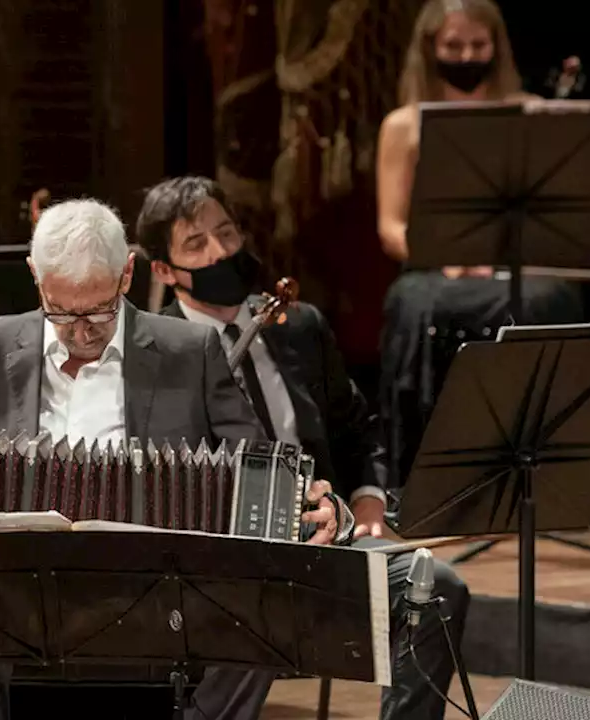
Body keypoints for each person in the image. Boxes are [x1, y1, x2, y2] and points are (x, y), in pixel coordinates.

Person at [0, 198, 358, 720]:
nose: (80, 330)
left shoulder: (190, 352)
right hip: (11, 592)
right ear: (35, 276)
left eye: (99, 311)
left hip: (151, 588)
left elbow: (262, 466)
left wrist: (319, 502)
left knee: (262, 609)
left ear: (128, 274)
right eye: (60, 312)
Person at [137, 175, 470, 720]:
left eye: (226, 233)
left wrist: (367, 499)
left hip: (329, 541)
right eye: (196, 244)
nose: (220, 251)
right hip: (231, 567)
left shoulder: (298, 326)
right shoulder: (157, 353)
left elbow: (359, 428)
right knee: (251, 613)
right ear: (164, 271)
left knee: (435, 591)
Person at [375, 0, 583, 484]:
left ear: (497, 48)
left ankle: (547, 466)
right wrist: (448, 256)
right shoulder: (403, 125)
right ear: (430, 50)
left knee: (551, 296)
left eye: (478, 45)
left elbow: (553, 214)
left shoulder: (528, 112)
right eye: (453, 45)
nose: (467, 56)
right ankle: (426, 470)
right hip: (433, 269)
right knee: (414, 305)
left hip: (513, 267)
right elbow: (390, 226)